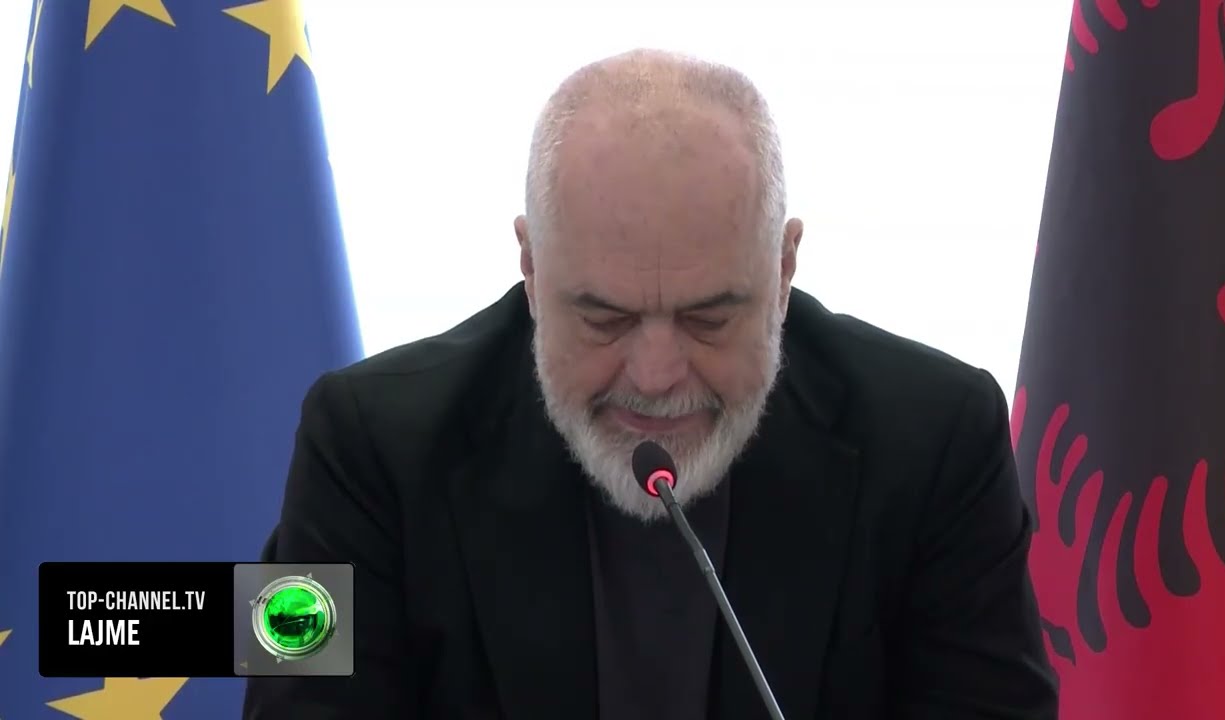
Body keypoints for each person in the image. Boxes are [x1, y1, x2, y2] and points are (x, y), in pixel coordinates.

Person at [242, 48, 1058, 719]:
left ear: (783, 270)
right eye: (604, 319)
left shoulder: (941, 439)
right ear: (532, 269)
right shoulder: (361, 445)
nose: (657, 375)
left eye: (709, 318)